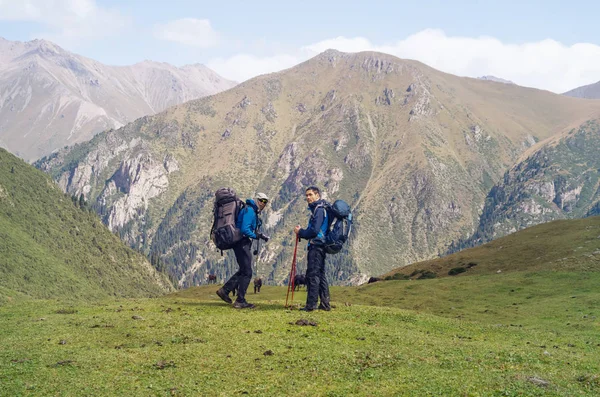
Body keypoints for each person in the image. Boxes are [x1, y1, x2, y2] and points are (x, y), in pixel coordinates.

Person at [216, 192, 269, 309]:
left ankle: (225, 290)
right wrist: (256, 236)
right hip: (241, 242)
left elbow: (247, 227)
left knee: (243, 270)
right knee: (247, 272)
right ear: (256, 200)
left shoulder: (250, 210)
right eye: (261, 200)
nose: (263, 204)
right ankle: (240, 300)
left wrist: (259, 234)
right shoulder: (250, 211)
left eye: (265, 202)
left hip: (240, 242)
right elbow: (245, 229)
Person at [294, 186, 331, 312]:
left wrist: (301, 232)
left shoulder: (319, 210)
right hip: (321, 245)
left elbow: (314, 231)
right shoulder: (322, 208)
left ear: (317, 195)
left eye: (310, 195)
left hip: (316, 245)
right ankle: (325, 304)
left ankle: (311, 305)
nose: (308, 198)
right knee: (320, 274)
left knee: (312, 275)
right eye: (307, 195)